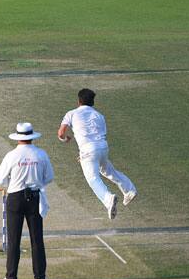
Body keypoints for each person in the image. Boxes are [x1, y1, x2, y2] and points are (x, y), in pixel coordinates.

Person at [58, 88, 137, 220]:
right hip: (102, 147)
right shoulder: (99, 115)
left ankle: (108, 199)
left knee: (92, 178)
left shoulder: (71, 114)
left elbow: (61, 133)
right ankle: (129, 190)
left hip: (88, 150)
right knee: (108, 170)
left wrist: (65, 140)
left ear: (78, 101)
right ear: (92, 102)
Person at [0, 122, 54, 279]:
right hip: (35, 197)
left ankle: (11, 277)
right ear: (31, 137)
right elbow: (49, 177)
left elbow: (0, 178)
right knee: (37, 239)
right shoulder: (41, 154)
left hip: (15, 197)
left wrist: (12, 180)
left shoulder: (12, 155)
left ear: (18, 138)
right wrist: (37, 182)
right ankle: (40, 277)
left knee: (13, 239)